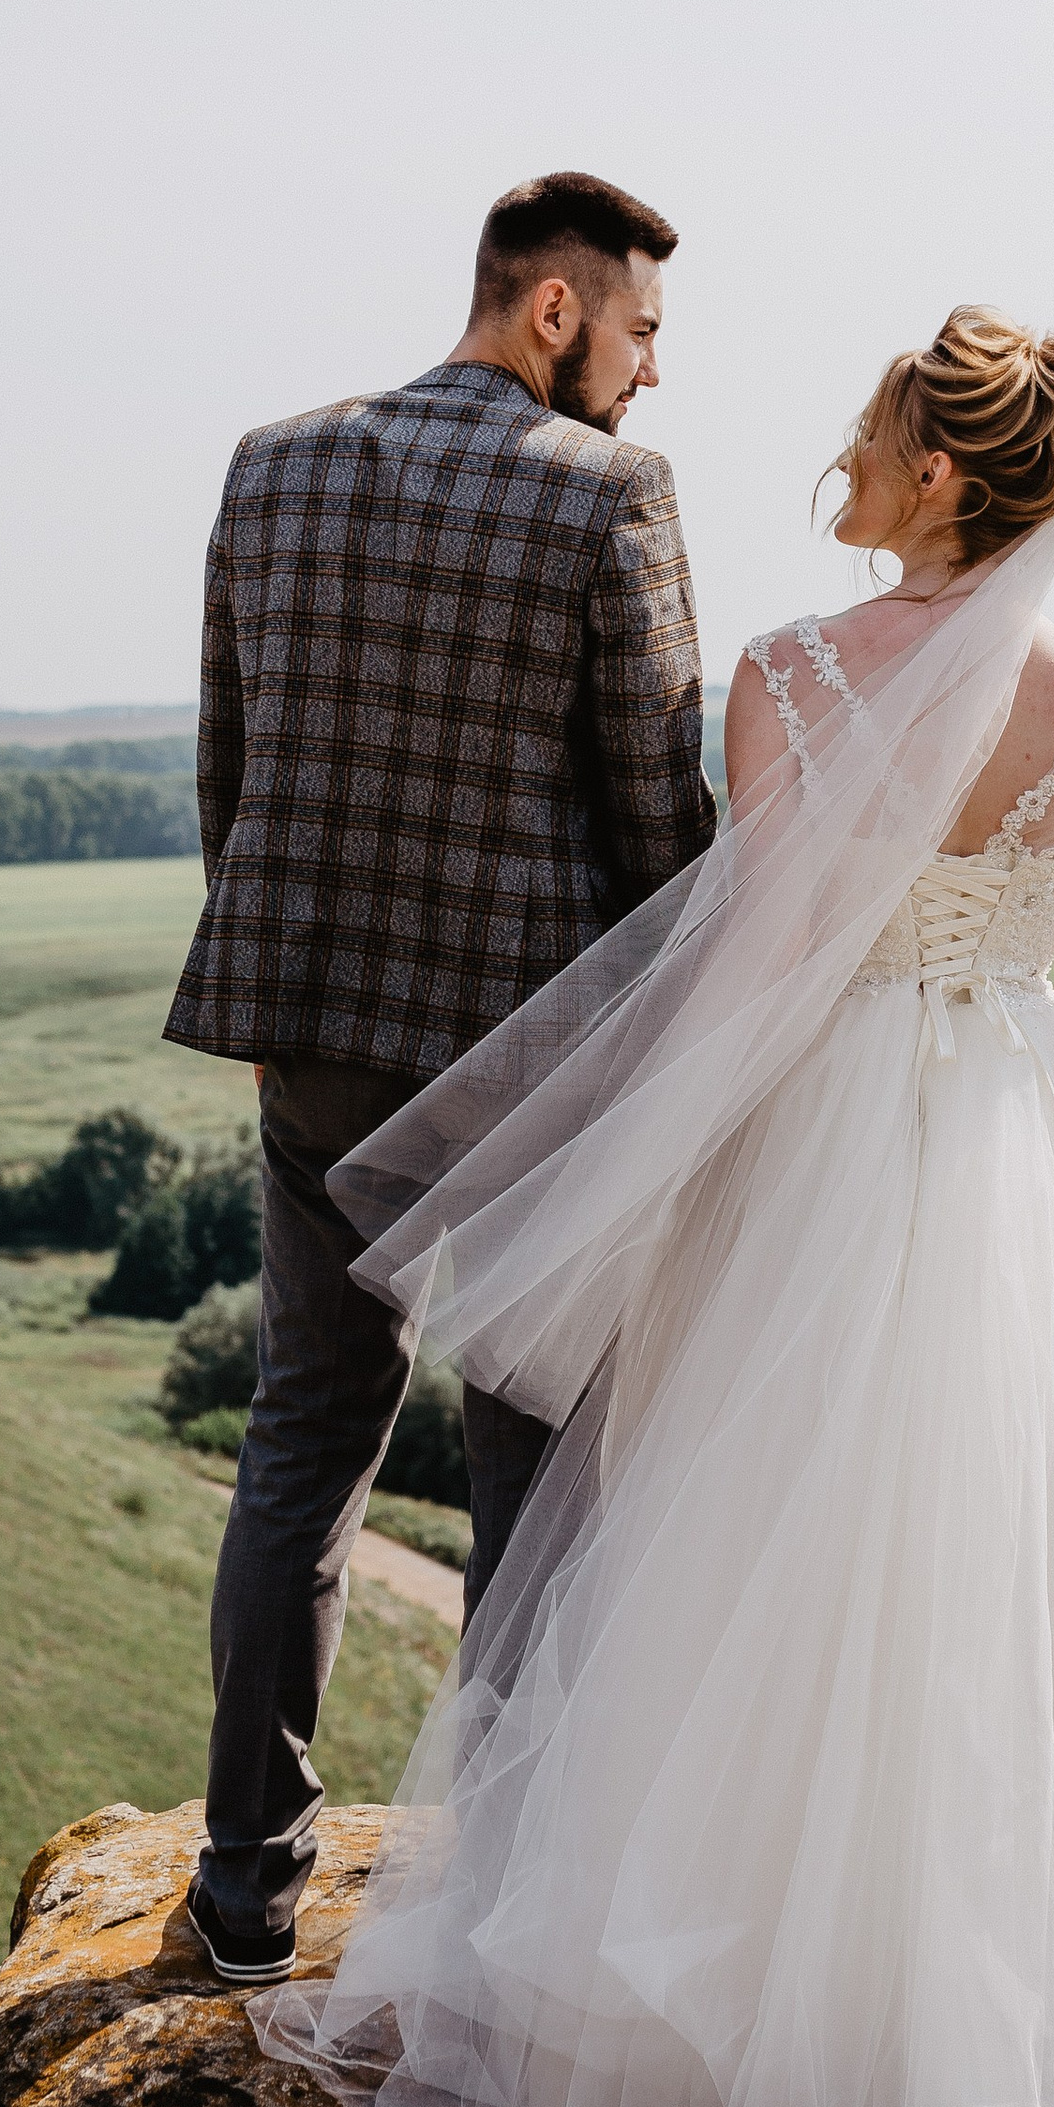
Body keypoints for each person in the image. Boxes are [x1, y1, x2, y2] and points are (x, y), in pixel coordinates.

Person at [260, 307, 1054, 2107]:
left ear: (945, 473)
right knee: (1028, 1554)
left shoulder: (787, 675)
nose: (852, 439)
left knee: (759, 1545)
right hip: (1022, 1124)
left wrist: (634, 1169)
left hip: (826, 1130)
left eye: (882, 420)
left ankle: (730, 2009)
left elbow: (752, 966)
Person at [165, 170, 718, 1987]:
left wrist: (298, 971)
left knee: (303, 1437)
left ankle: (244, 1883)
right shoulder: (606, 493)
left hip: (312, 1030)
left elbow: (229, 767)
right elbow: (654, 817)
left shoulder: (272, 461)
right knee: (534, 1469)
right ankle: (500, 1905)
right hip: (528, 1061)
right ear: (553, 312)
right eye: (638, 331)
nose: (650, 377)